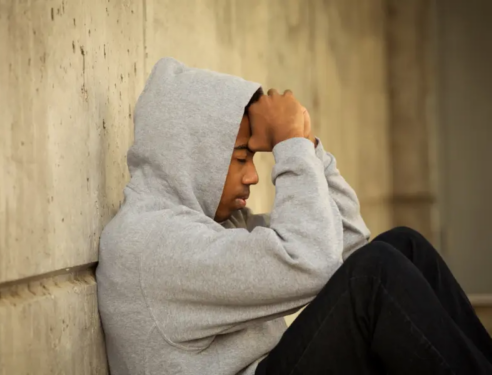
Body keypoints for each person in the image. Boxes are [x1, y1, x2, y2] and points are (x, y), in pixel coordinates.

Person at [96, 57, 492, 375]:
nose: (252, 176)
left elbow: (348, 243)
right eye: (241, 158)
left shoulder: (208, 226)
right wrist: (289, 145)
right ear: (192, 157)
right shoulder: (151, 243)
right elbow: (315, 262)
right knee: (376, 274)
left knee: (403, 246)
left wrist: (307, 143)